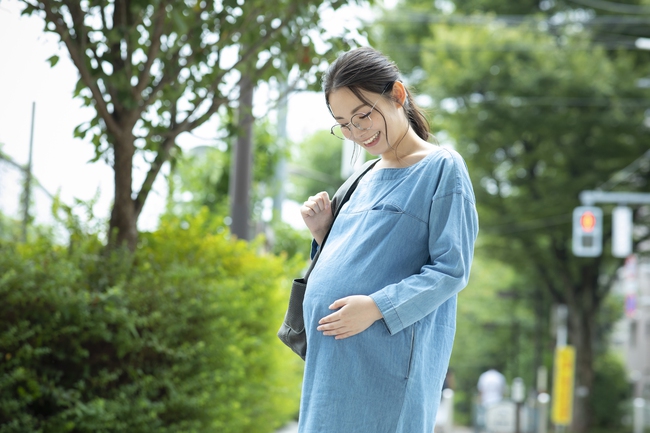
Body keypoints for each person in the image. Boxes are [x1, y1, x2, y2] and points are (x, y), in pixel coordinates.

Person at [298, 46, 479, 433]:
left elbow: (452, 270)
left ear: (397, 95)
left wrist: (377, 307)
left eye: (363, 115)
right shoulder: (359, 178)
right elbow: (361, 257)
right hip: (330, 368)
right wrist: (322, 234)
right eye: (344, 124)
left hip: (386, 367)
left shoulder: (442, 168)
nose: (357, 132)